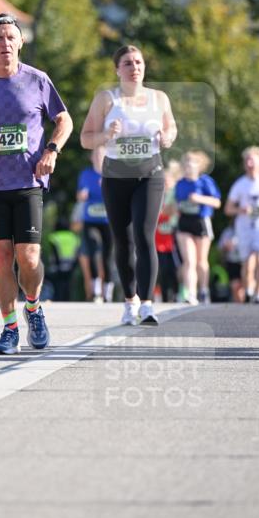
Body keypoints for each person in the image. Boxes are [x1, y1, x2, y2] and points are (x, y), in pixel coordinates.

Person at [0, 12, 72, 354]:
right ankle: (9, 328)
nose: (5, 43)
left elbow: (63, 119)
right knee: (2, 258)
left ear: (21, 42)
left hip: (28, 181)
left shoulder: (37, 80)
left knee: (30, 256)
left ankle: (33, 307)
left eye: (10, 37)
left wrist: (51, 149)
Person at [80, 44, 177, 326]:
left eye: (138, 62)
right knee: (123, 240)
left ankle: (147, 304)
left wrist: (167, 137)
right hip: (115, 177)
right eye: (127, 63)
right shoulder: (106, 99)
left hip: (150, 174)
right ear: (117, 69)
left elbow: (171, 128)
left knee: (145, 236)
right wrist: (106, 135)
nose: (134, 67)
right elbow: (86, 138)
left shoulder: (158, 98)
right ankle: (129, 301)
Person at [224, 147, 259, 303]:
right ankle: (249, 291)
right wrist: (240, 209)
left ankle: (258, 295)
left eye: (253, 160)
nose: (250, 164)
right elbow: (228, 209)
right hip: (245, 227)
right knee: (248, 262)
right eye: (247, 161)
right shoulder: (240, 184)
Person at [174, 150, 221, 305]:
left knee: (201, 261)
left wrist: (199, 199)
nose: (189, 165)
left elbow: (217, 202)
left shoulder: (205, 181)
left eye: (192, 161)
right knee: (189, 260)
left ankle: (203, 290)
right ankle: (191, 294)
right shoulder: (180, 183)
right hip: (185, 222)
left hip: (201, 221)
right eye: (186, 161)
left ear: (199, 165)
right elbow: (176, 203)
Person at [76, 146, 115, 303]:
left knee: (107, 256)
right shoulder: (86, 174)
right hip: (90, 220)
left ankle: (108, 291)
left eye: (102, 155)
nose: (99, 158)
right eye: (96, 155)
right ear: (92, 158)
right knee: (93, 249)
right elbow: (79, 195)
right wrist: (82, 195)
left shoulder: (112, 174)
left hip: (109, 222)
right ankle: (96, 290)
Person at [155, 159, 180, 303]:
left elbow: (174, 212)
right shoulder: (156, 197)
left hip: (173, 240)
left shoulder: (176, 196)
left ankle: (177, 294)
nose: (165, 183)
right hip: (159, 241)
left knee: (174, 269)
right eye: (162, 180)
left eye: (167, 180)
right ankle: (164, 298)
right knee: (162, 271)